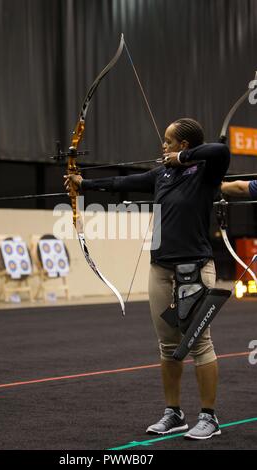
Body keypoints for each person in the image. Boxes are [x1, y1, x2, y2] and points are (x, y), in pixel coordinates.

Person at [64, 118, 230, 440]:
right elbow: (120, 182)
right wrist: (82, 183)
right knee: (168, 345)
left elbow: (220, 150)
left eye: (168, 142)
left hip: (194, 268)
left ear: (183, 146)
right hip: (161, 268)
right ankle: (174, 413)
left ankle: (209, 417)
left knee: (199, 342)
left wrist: (183, 159)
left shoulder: (206, 172)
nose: (163, 146)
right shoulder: (162, 175)